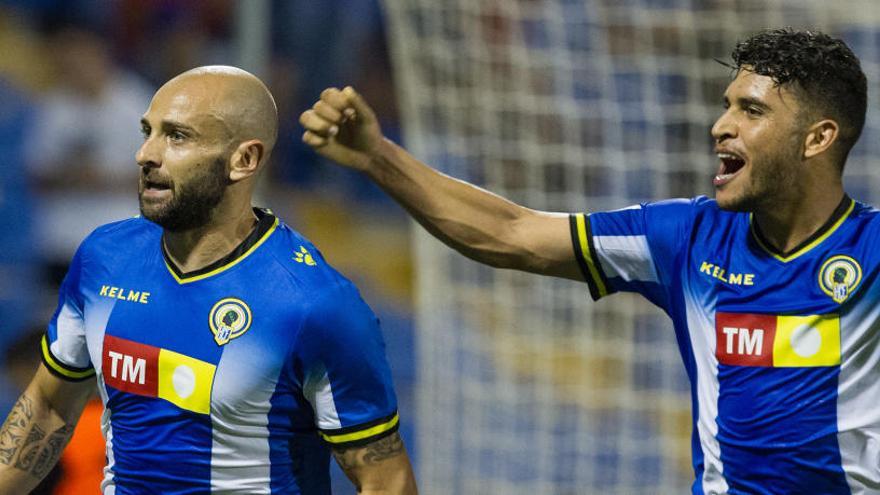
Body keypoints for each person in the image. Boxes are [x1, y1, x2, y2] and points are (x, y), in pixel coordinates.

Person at [300, 28, 879, 494]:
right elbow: (512, 232)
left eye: (751, 111)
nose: (720, 125)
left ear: (817, 138)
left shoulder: (872, 253)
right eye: (726, 106)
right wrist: (379, 157)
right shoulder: (688, 236)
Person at [0, 65, 417, 494]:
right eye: (148, 132)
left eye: (177, 136)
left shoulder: (314, 303)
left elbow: (385, 479)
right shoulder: (104, 259)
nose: (145, 154)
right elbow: (49, 409)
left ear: (244, 160)